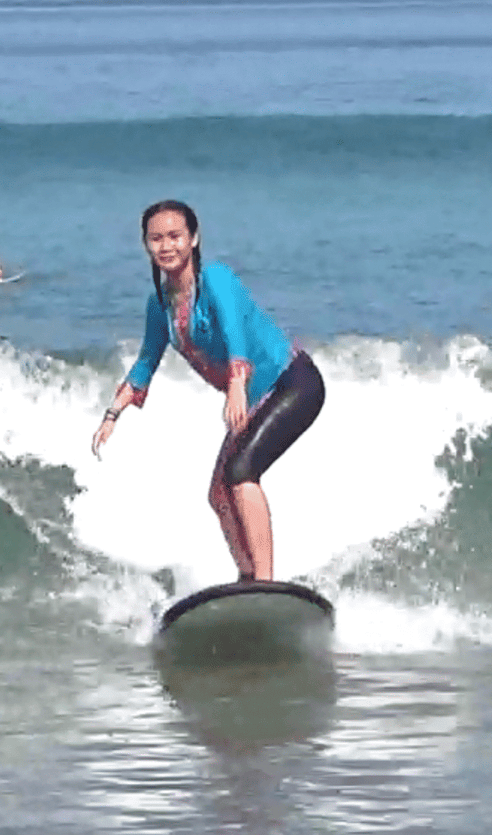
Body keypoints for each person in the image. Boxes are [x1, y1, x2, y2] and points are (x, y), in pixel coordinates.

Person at [90, 200, 325, 583]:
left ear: (193, 238)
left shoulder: (214, 277)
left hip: (293, 382)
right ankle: (247, 577)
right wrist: (112, 414)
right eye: (156, 239)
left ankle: (265, 583)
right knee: (219, 494)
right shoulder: (160, 304)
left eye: (175, 236)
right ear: (146, 245)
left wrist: (236, 381)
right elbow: (146, 361)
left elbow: (233, 328)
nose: (166, 246)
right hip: (255, 396)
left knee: (241, 471)